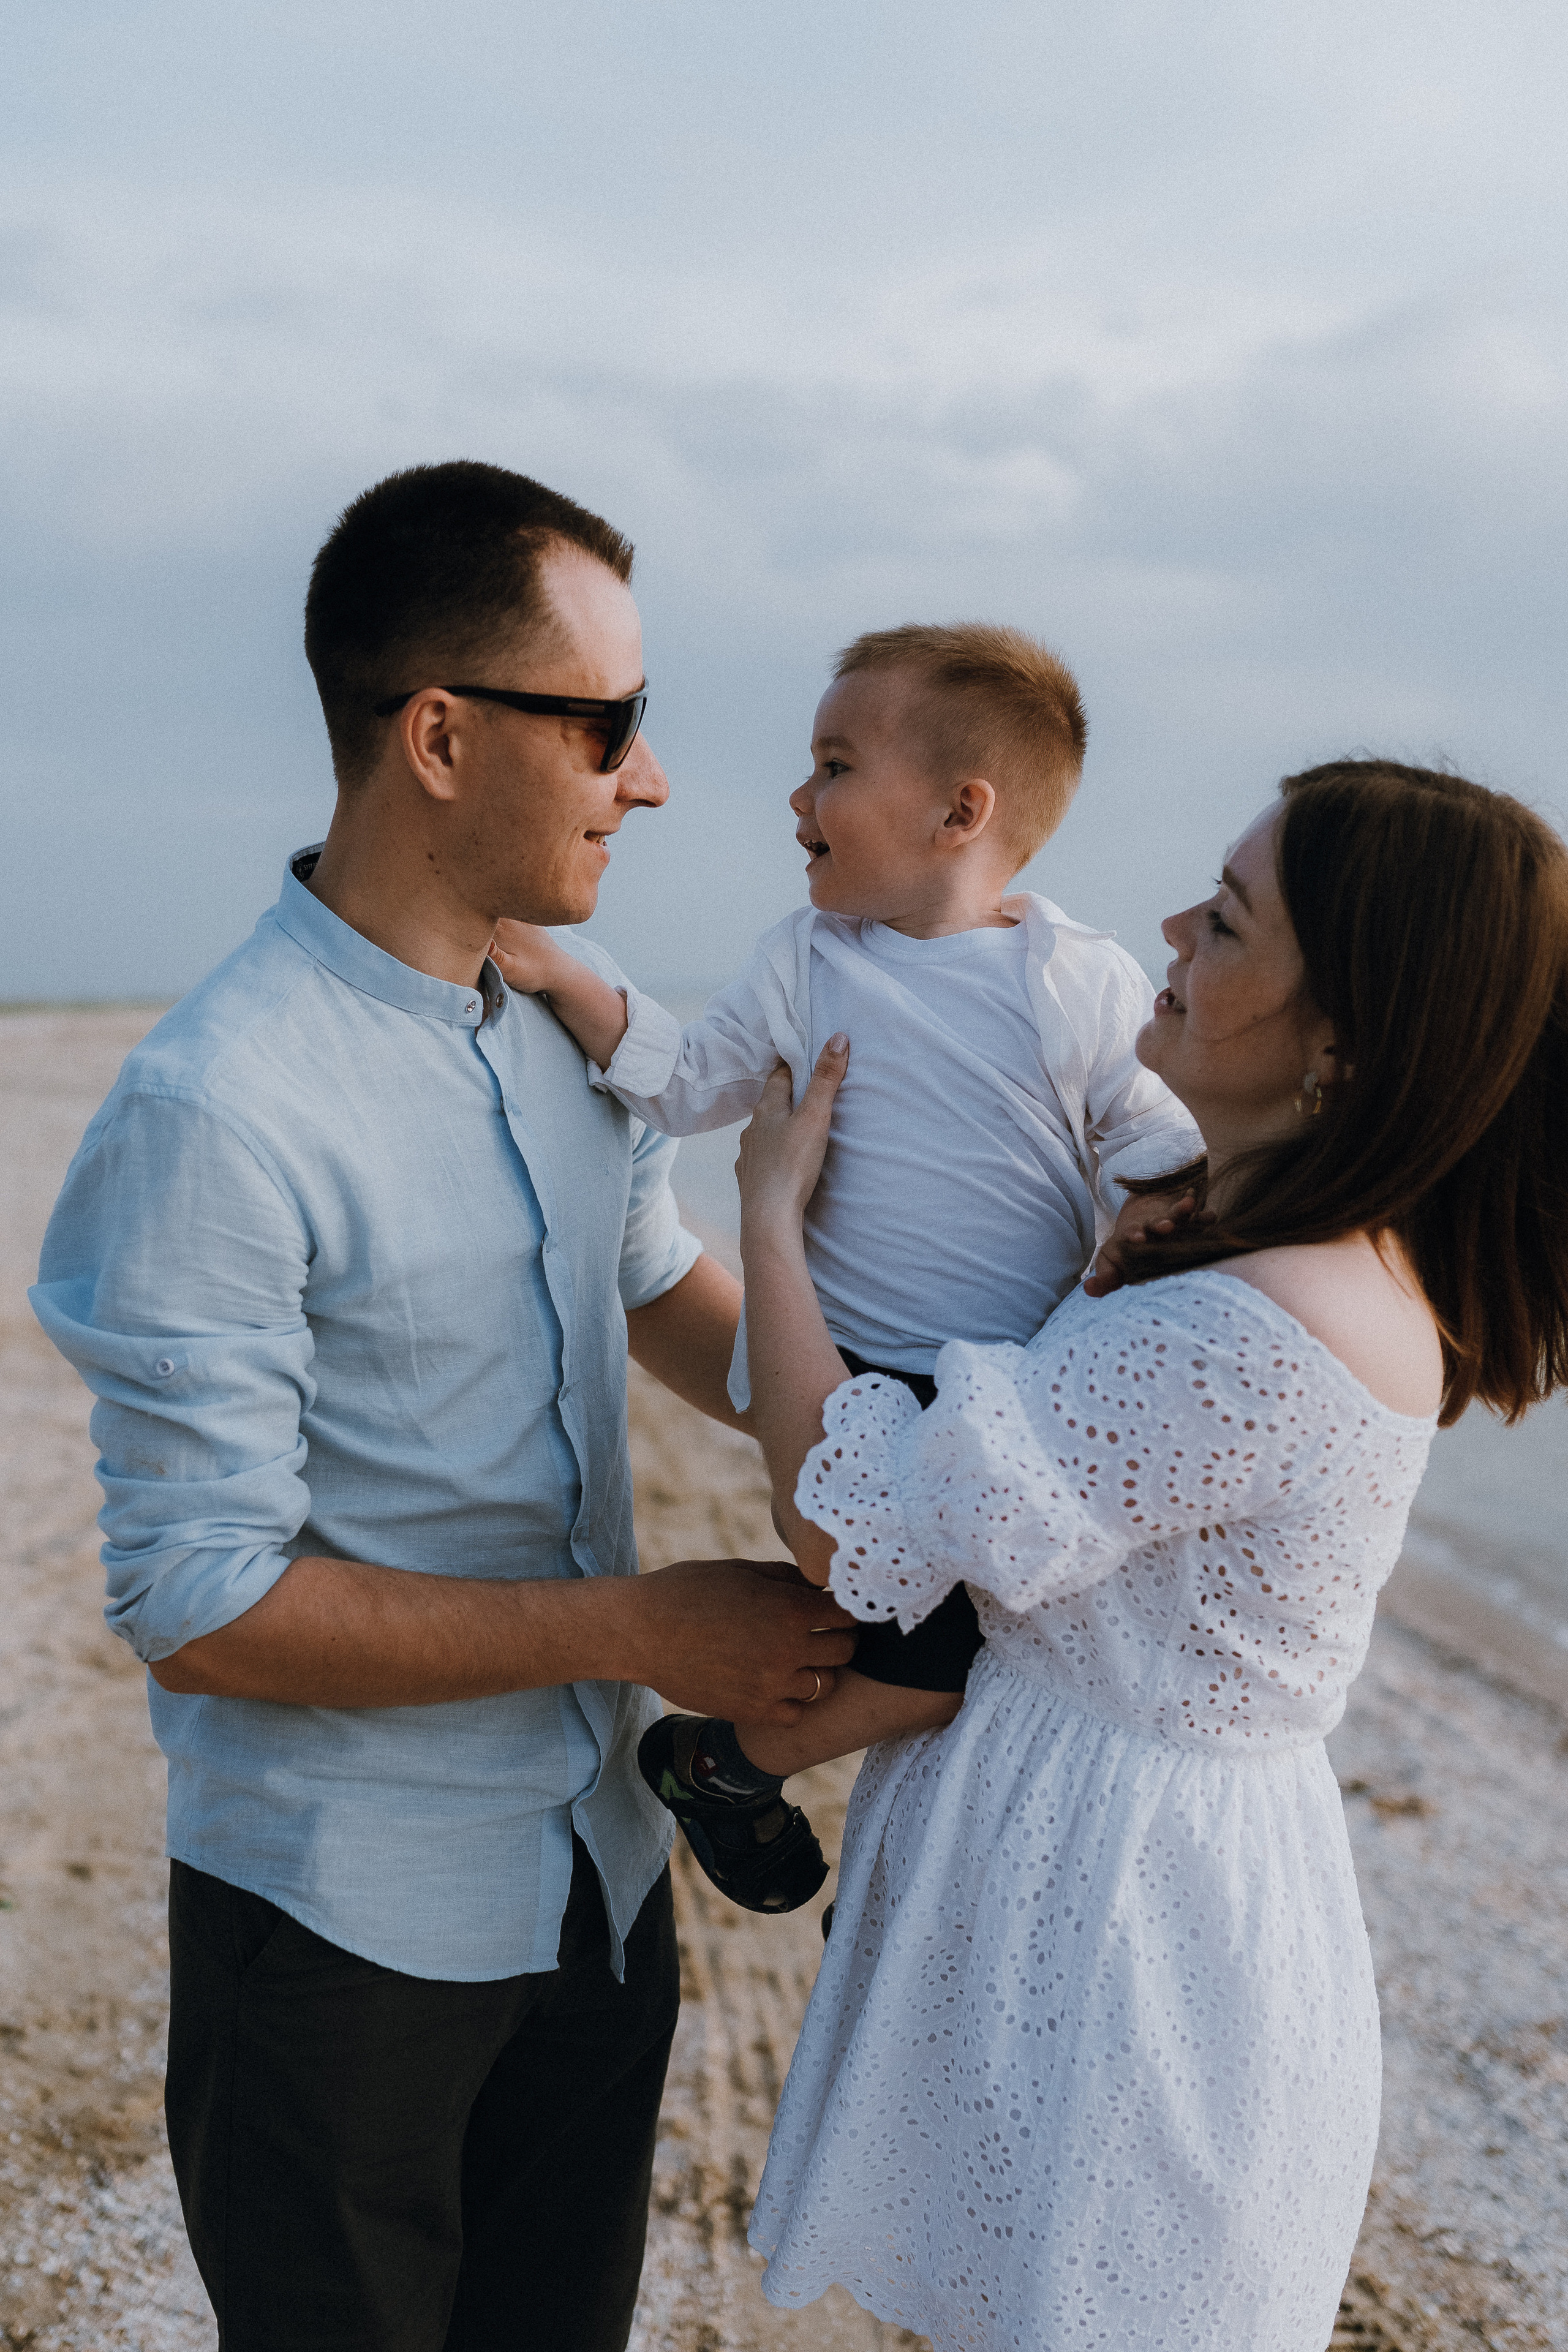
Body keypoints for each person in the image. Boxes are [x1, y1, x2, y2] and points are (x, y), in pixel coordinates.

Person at [29, 461, 858, 2352]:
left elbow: (652, 1289)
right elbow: (204, 1602)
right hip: (344, 1938)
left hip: (600, 1877)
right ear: (438, 735)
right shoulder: (214, 1108)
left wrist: (928, 1441)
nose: (648, 777)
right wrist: (649, 1628)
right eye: (613, 726)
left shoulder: (575, 1017)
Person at [728, 761, 1568, 2350]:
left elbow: (858, 1535)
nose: (1173, 923)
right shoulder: (1269, 1251)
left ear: (1343, 1046)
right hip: (1121, 1872)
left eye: (1232, 919)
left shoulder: (1260, 1324)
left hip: (1132, 1939)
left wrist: (770, 1221)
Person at [489, 623, 1200, 1915]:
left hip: (1012, 1386)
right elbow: (689, 1082)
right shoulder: (803, 963)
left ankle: (795, 1781)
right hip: (847, 1376)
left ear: (955, 812)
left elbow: (1149, 1134)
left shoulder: (1074, 976)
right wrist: (555, 971)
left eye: (830, 766)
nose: (796, 799)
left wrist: (1157, 1212)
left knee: (1012, 1651)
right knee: (927, 1669)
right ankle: (719, 1764)